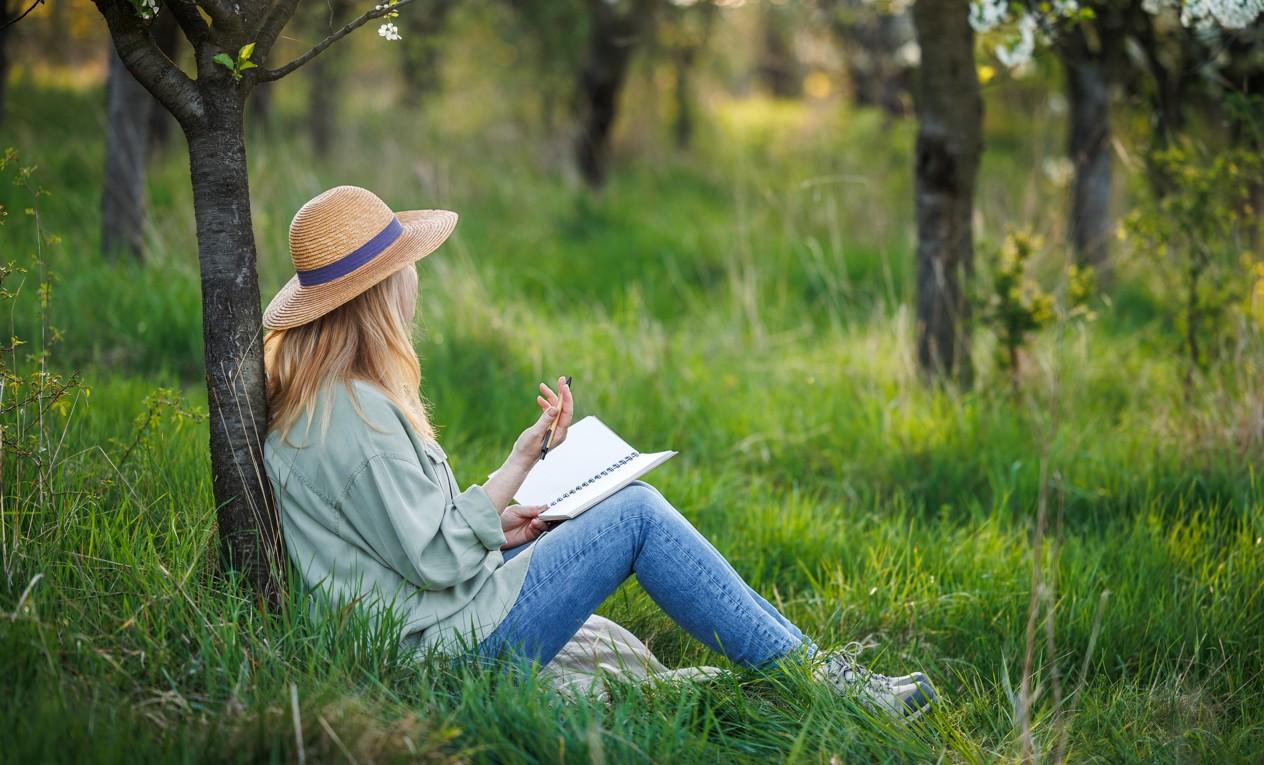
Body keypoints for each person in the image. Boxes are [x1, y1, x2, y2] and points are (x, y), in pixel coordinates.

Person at [261, 186, 937, 720]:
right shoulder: (358, 417)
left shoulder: (323, 404)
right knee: (635, 513)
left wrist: (509, 492)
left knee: (618, 525)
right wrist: (498, 506)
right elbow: (435, 558)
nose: (415, 285)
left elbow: (403, 541)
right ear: (380, 293)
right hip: (444, 651)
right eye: (407, 270)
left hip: (429, 627)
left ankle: (814, 670)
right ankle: (822, 682)